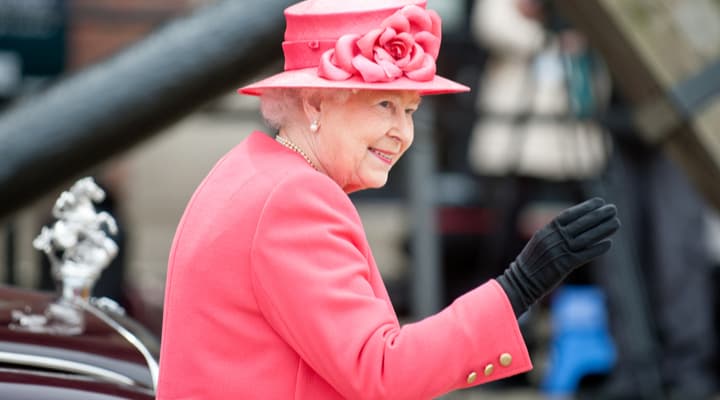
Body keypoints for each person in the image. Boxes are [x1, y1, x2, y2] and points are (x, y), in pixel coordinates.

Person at [155, 1, 620, 398]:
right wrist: (520, 285)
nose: (403, 133)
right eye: (383, 105)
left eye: (410, 109)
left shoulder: (252, 170)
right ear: (315, 103)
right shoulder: (294, 197)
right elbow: (382, 372)